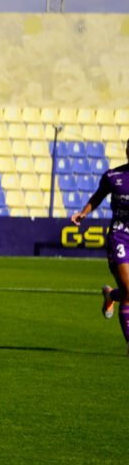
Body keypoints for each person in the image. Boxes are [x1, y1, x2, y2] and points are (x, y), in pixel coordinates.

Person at [70, 138, 129, 355]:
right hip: (120, 236)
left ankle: (110, 295)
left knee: (125, 292)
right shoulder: (113, 176)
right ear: (127, 151)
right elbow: (97, 197)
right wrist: (83, 213)